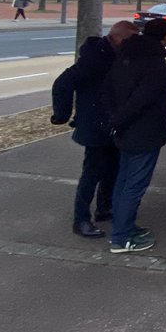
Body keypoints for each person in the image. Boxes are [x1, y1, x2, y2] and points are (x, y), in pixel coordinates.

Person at [51, 20, 138, 238]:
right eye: (129, 40)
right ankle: (81, 219)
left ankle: (104, 208)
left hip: (112, 123)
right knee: (92, 173)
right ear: (116, 38)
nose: (132, 44)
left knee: (112, 168)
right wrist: (61, 115)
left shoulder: (116, 54)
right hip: (95, 124)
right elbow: (63, 83)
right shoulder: (94, 57)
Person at [103, 17, 166, 253]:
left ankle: (123, 226)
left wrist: (115, 120)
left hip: (124, 130)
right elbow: (145, 98)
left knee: (123, 180)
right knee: (134, 184)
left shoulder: (124, 55)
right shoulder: (155, 63)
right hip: (144, 131)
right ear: (165, 37)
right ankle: (122, 237)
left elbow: (110, 89)